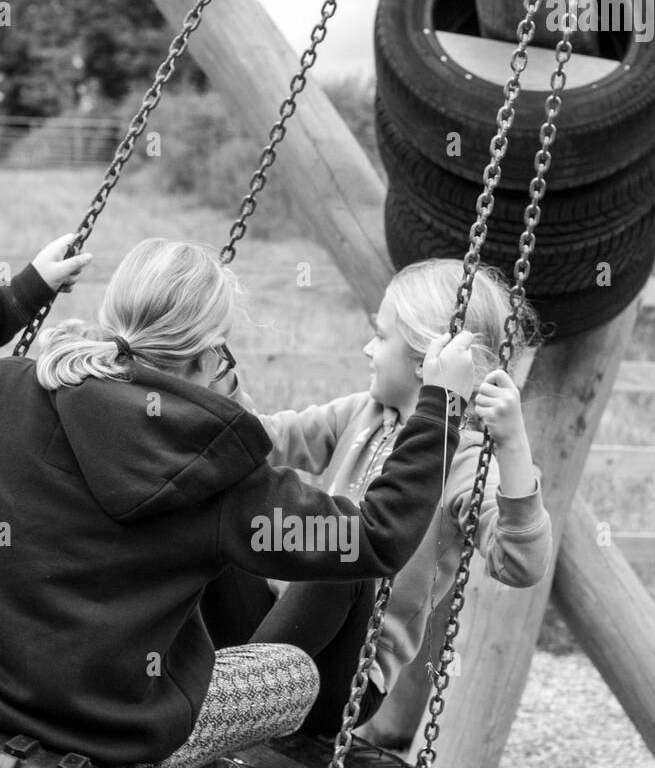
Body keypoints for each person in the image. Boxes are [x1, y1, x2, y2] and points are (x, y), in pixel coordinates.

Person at [0, 236, 476, 768]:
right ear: (209, 352)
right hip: (122, 737)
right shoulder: (219, 474)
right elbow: (375, 537)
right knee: (293, 671)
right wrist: (440, 407)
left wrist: (24, 289)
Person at [203, 258, 553, 735]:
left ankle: (226, 714)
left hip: (341, 680)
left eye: (381, 335)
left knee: (347, 552)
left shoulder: (469, 463)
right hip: (269, 632)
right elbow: (266, 440)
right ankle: (183, 683)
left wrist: (512, 446)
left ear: (424, 360)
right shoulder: (364, 414)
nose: (368, 348)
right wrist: (211, 379)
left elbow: (521, 563)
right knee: (215, 517)